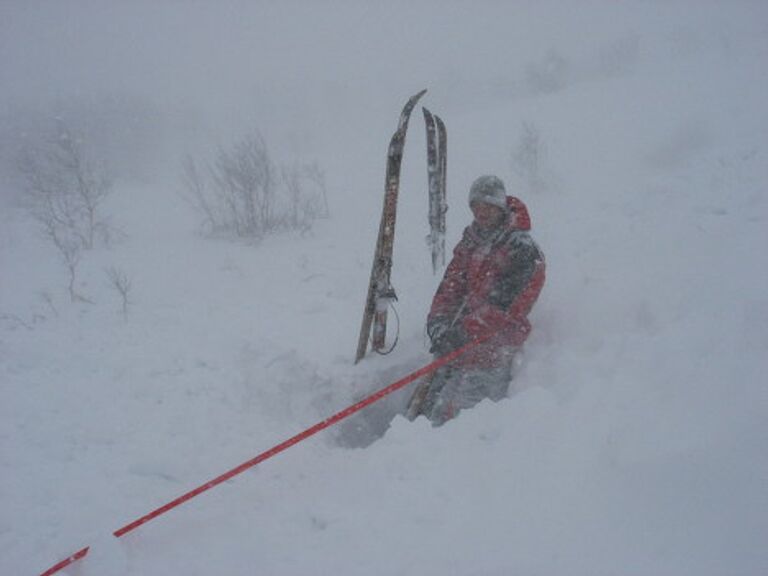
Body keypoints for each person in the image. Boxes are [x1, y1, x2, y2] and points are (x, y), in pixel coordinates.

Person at [409, 175, 546, 426]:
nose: (481, 212)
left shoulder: (521, 248)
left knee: (459, 422)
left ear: (500, 207)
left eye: (488, 205)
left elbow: (508, 306)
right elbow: (450, 289)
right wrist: (438, 325)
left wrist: (465, 331)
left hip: (492, 351)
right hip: (456, 347)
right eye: (476, 206)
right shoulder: (470, 243)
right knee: (424, 412)